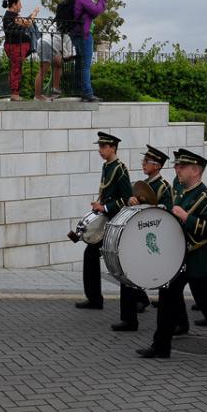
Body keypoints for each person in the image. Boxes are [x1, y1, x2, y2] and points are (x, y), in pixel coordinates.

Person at [137, 149, 207, 360]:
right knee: (167, 300)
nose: (177, 169)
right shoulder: (181, 192)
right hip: (181, 257)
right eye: (177, 165)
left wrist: (186, 218)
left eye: (182, 166)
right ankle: (161, 346)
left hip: (201, 259)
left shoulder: (206, 198)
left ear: (195, 170)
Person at [111, 144, 172, 332]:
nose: (143, 164)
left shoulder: (163, 188)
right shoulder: (143, 185)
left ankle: (134, 320)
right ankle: (129, 318)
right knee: (127, 275)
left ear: (157, 166)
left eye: (147, 161)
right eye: (144, 160)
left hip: (152, 239)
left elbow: (166, 214)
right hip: (140, 236)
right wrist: (132, 201)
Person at [77, 132, 131, 309]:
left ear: (113, 148)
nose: (100, 150)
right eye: (99, 146)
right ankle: (95, 298)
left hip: (114, 221)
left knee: (99, 256)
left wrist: (106, 208)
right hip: (106, 219)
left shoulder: (120, 169)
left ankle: (95, 299)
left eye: (103, 147)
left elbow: (126, 199)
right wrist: (99, 204)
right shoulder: (107, 166)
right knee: (101, 256)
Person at [59, 0, 108, 103]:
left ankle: (80, 90)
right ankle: (87, 92)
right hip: (84, 35)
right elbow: (96, 10)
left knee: (79, 65)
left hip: (75, 34)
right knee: (85, 66)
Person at [1, 0, 39, 101]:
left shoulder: (12, 16)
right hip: (16, 46)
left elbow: (25, 22)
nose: (21, 6)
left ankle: (15, 91)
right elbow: (28, 23)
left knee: (16, 68)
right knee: (16, 69)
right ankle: (14, 93)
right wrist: (35, 13)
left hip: (17, 45)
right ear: (14, 5)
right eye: (19, 4)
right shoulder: (12, 16)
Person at [32, 32, 68, 101]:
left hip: (44, 42)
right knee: (43, 71)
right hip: (47, 44)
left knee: (58, 65)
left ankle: (55, 90)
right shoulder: (68, 35)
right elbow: (67, 54)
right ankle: (38, 96)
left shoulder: (60, 28)